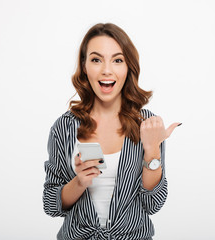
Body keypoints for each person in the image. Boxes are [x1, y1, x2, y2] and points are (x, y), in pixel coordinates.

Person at [43, 23, 180, 240]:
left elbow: (153, 204)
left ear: (128, 68)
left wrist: (152, 150)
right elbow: (51, 203)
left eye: (117, 60)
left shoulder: (147, 124)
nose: (107, 70)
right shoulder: (64, 127)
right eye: (96, 59)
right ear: (84, 66)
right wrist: (79, 182)